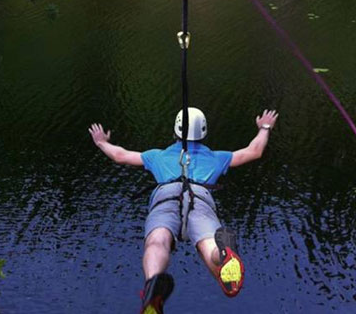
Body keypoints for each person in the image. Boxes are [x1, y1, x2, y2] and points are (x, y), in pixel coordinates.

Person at [88, 107, 279, 314]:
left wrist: (102, 142)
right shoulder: (217, 158)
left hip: (166, 196)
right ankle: (223, 254)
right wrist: (265, 127)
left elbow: (120, 155)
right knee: (208, 245)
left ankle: (152, 287)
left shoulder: (158, 156)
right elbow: (254, 151)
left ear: (176, 131)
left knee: (157, 241)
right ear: (204, 132)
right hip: (200, 198)